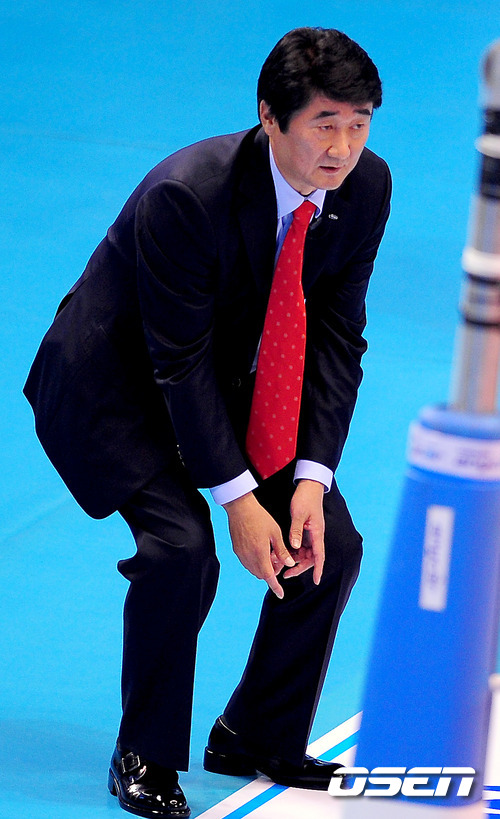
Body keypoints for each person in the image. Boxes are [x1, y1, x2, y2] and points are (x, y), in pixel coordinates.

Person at [24, 26, 391, 819]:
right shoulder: (186, 195)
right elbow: (176, 361)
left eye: (359, 123)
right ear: (270, 117)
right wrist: (238, 499)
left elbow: (337, 334)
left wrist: (310, 478)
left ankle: (257, 732)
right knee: (181, 548)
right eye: (324, 124)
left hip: (225, 378)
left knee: (329, 539)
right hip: (112, 386)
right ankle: (144, 753)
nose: (343, 147)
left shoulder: (365, 188)